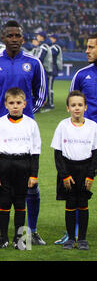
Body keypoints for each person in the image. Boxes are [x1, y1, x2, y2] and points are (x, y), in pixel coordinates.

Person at [0, 20, 46, 245]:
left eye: (18, 36)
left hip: (26, 129)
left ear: (23, 39)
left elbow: (40, 94)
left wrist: (24, 117)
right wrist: (1, 115)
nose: (14, 39)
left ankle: (31, 231)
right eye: (10, 35)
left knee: (30, 183)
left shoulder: (34, 63)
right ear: (3, 38)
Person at [0, 87, 41, 249]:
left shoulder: (31, 124)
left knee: (21, 204)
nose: (15, 106)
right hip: (4, 167)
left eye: (18, 103)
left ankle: (19, 239)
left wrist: (33, 175)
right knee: (4, 203)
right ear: (6, 104)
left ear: (24, 104)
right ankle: (3, 238)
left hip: (23, 167)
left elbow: (35, 153)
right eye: (11, 103)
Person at [60, 32, 97, 245]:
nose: (86, 51)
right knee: (78, 187)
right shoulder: (82, 75)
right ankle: (72, 233)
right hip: (85, 142)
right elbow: (73, 104)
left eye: (91, 47)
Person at [51, 90, 97, 250]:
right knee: (70, 203)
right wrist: (64, 175)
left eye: (80, 105)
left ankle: (82, 239)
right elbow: (57, 153)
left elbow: (95, 154)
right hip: (68, 170)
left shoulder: (93, 127)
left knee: (83, 203)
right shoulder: (63, 125)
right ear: (67, 108)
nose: (76, 108)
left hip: (85, 170)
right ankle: (71, 238)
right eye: (73, 105)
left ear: (85, 107)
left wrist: (91, 175)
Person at [33, 31, 53, 110]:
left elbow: (39, 58)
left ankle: (48, 104)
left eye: (38, 35)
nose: (37, 37)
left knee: (45, 87)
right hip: (46, 69)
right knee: (45, 87)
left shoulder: (43, 46)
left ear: (41, 37)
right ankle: (45, 103)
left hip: (45, 70)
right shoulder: (44, 45)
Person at [49, 34, 64, 109]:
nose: (50, 39)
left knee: (50, 87)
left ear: (54, 39)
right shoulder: (56, 46)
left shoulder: (55, 47)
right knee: (49, 86)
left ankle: (50, 103)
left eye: (51, 38)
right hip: (53, 68)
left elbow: (51, 54)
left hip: (52, 68)